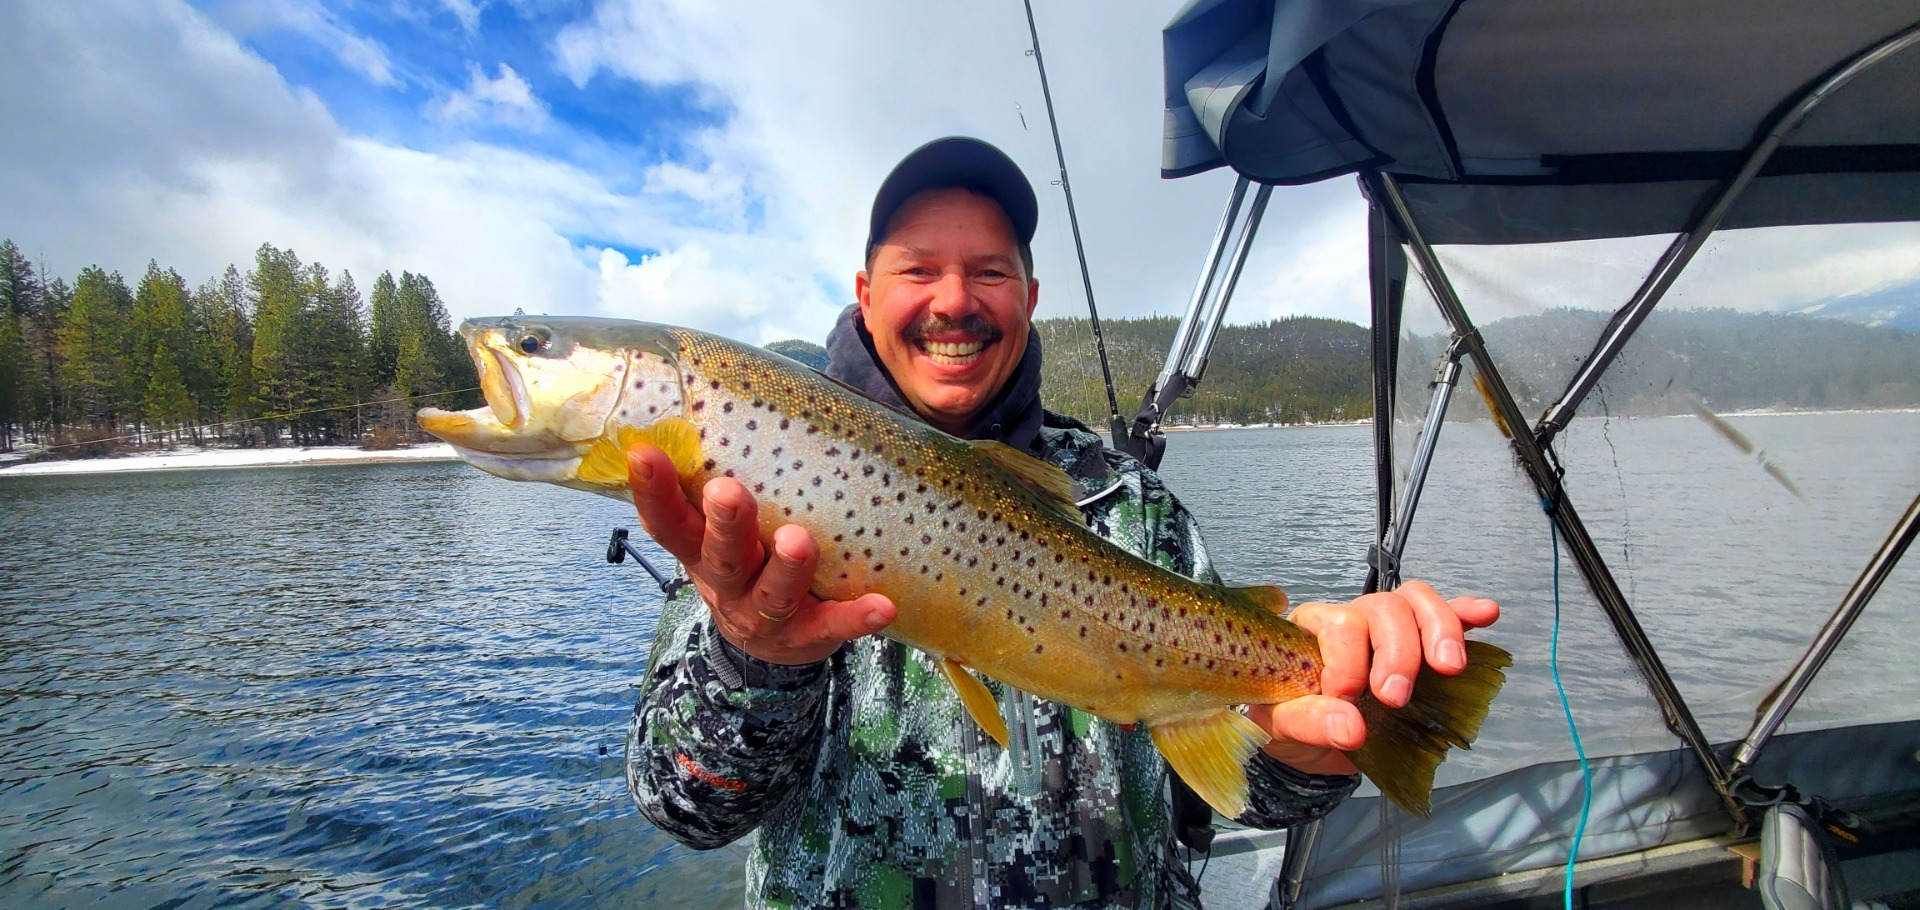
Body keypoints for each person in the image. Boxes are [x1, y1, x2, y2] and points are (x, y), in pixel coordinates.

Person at [623, 137, 1499, 909]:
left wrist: (1314, 749)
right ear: (864, 290)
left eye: (990, 272)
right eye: (919, 269)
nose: (955, 300)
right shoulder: (749, 503)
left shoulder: (1132, 507)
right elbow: (685, 803)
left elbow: (1237, 791)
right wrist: (753, 655)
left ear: (1030, 295)